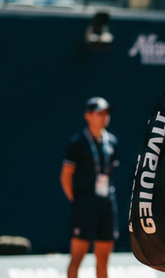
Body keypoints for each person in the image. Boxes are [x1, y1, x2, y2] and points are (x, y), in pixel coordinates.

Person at [60, 97, 119, 278]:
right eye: (99, 113)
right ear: (87, 115)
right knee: (77, 257)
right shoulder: (77, 143)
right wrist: (79, 201)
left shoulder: (112, 142)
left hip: (106, 204)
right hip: (85, 205)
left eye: (106, 113)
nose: (104, 117)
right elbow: (66, 176)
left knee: (103, 260)